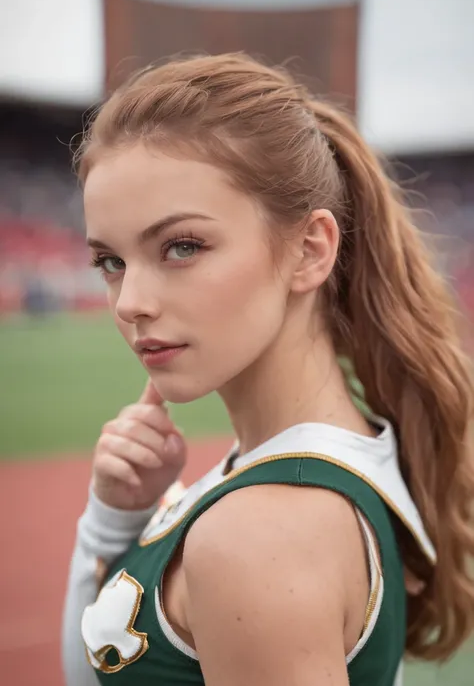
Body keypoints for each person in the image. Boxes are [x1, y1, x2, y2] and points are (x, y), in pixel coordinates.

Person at [62, 53, 474, 686]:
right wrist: (112, 520)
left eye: (182, 246)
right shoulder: (342, 453)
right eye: (110, 261)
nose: (131, 302)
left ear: (309, 250)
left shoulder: (259, 537)